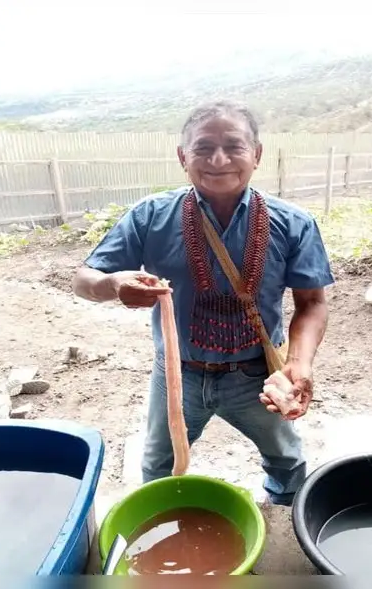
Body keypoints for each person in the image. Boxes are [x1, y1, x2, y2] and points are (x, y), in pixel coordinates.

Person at [72, 101, 334, 506]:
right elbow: (83, 280)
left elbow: (312, 302)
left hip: (257, 377)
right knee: (159, 466)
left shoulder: (294, 222)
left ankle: (285, 525)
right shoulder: (150, 217)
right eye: (202, 148)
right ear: (182, 157)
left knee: (287, 463)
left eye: (234, 146)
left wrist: (299, 362)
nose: (218, 159)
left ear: (257, 154)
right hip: (178, 377)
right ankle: (160, 531)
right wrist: (111, 285)